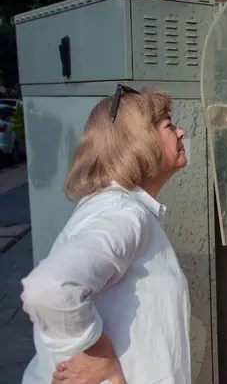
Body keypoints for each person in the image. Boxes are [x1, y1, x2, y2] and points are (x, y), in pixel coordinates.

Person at [20, 84, 191, 384]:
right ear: (138, 142)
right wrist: (98, 357)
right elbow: (49, 289)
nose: (181, 133)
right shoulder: (123, 213)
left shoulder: (120, 208)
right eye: (168, 126)